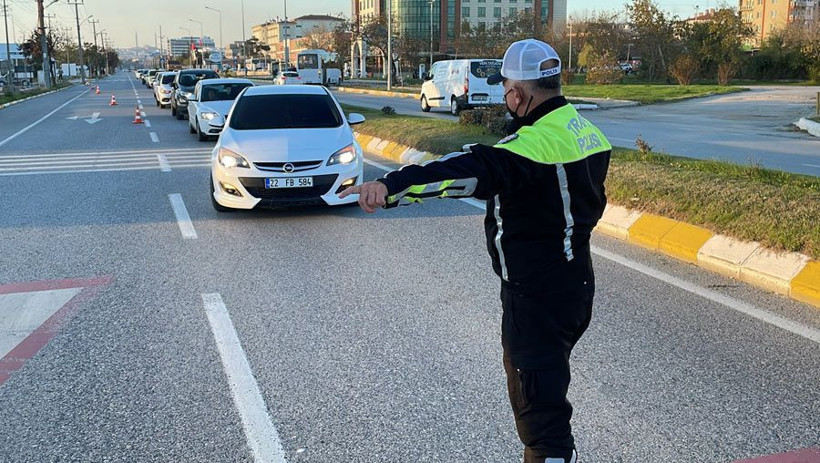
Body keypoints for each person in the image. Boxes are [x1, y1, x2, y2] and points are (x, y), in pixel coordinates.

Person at [340, 39, 612, 463]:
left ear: (519, 94)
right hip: (577, 285)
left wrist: (389, 187)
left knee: (540, 420)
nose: (506, 97)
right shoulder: (586, 132)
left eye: (506, 88)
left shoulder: (525, 150)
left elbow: (457, 171)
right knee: (550, 390)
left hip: (535, 300)